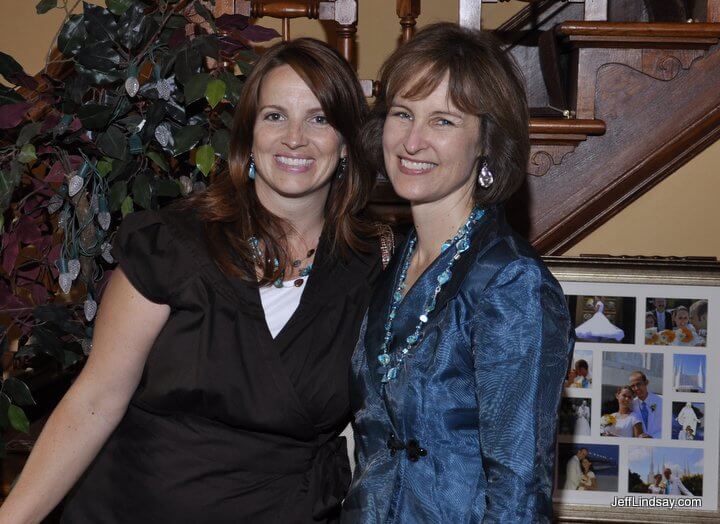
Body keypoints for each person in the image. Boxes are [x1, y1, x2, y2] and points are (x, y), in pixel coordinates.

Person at [0, 39, 385, 523]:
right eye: (274, 116)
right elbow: (95, 402)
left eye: (319, 119)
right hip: (133, 509)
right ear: (247, 135)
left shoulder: (372, 269)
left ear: (346, 141)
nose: (294, 138)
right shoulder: (173, 245)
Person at [341, 23, 574, 523]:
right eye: (402, 113)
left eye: (443, 121)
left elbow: (519, 493)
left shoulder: (511, 284)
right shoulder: (396, 260)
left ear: (486, 142)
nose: (412, 140)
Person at [629, 370, 663, 438]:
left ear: (646, 382)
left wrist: (653, 437)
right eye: (633, 386)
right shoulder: (631, 405)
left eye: (638, 384)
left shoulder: (662, 401)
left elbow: (670, 426)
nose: (636, 388)